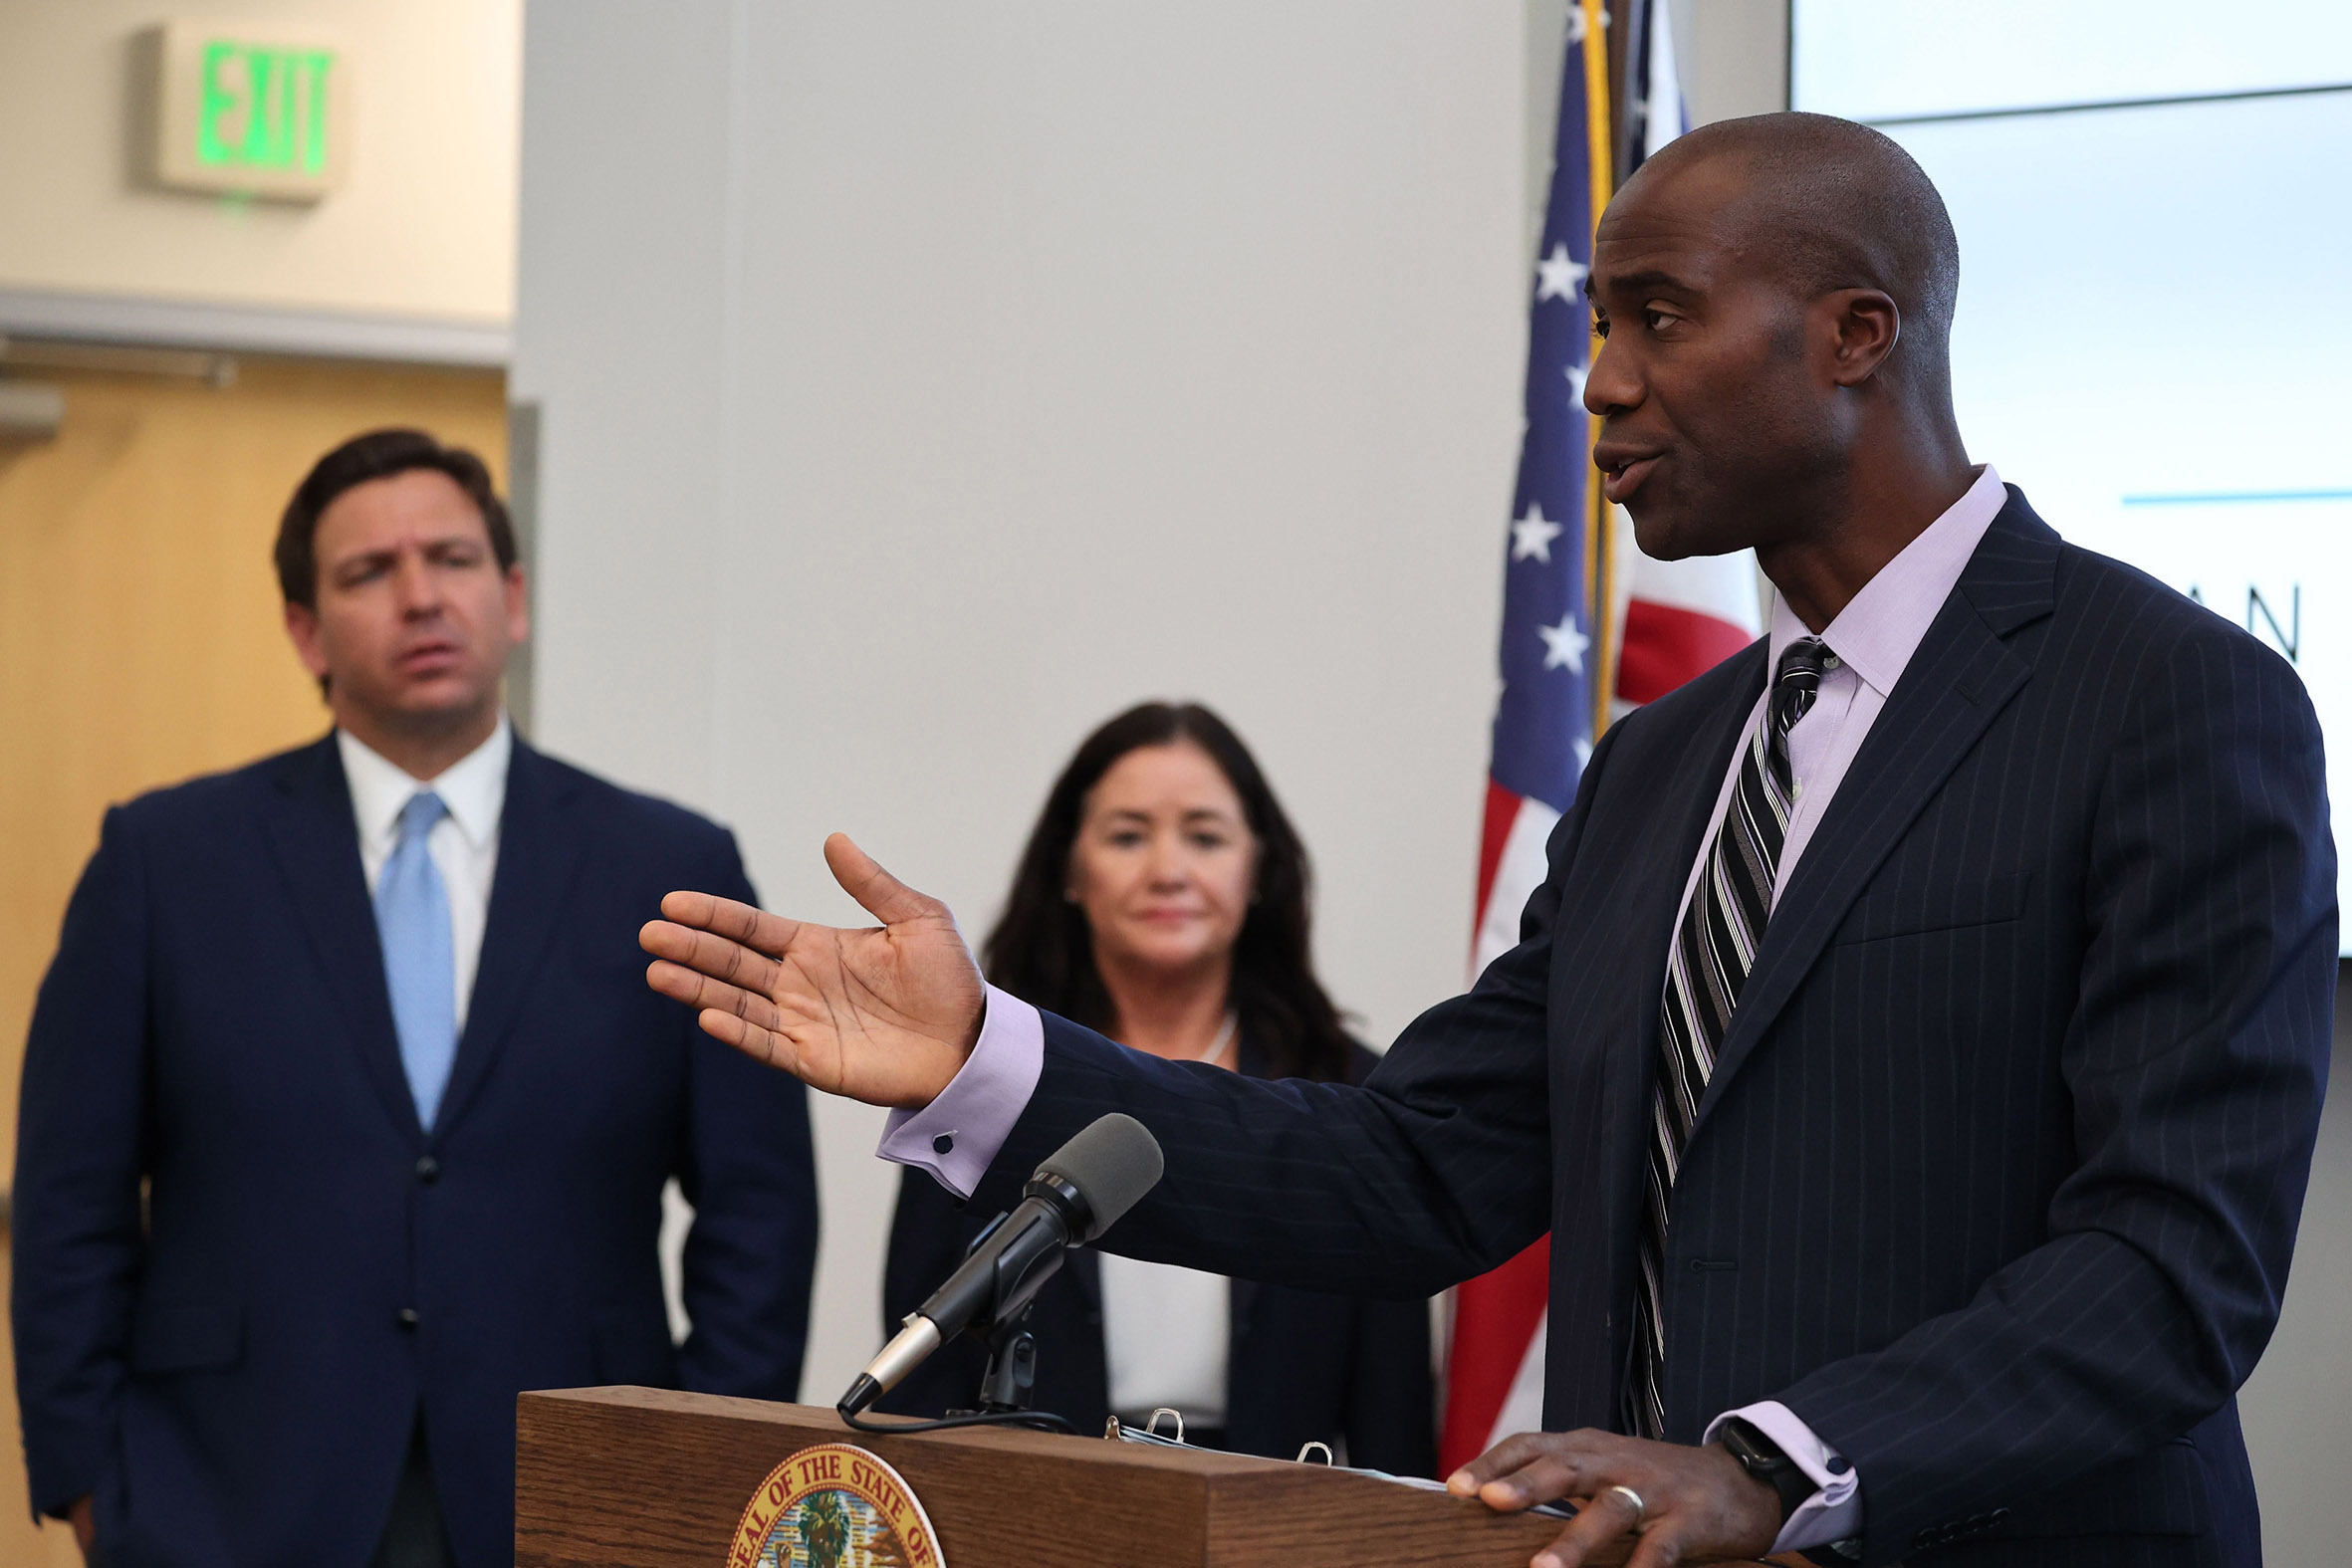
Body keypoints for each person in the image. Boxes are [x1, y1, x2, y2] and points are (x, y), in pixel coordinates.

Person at [698, 111, 2313, 1566]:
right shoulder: (1658, 765)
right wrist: (986, 1058)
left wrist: (1773, 1465)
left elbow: (2169, 1262)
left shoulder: (2166, 699)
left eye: (1658, 317)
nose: (1600, 381)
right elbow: (1415, 1168)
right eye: (1598, 324)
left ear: (1852, 334)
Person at [13, 429, 821, 1568]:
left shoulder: (670, 867)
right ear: (306, 630)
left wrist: (706, 1467)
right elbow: (68, 1201)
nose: (420, 597)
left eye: (451, 559)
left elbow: (760, 1207)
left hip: (580, 1491)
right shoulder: (165, 861)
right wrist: (93, 1479)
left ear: (513, 596)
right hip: (227, 1493)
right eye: (368, 572)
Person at [879, 702, 1436, 1470]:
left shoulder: (1350, 1087)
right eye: (1128, 835)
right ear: (1070, 869)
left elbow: (1393, 1413)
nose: (1168, 870)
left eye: (1205, 836)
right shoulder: (986, 1077)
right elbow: (919, 1377)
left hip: (1276, 1512)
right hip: (1035, 1502)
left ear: (1260, 868)